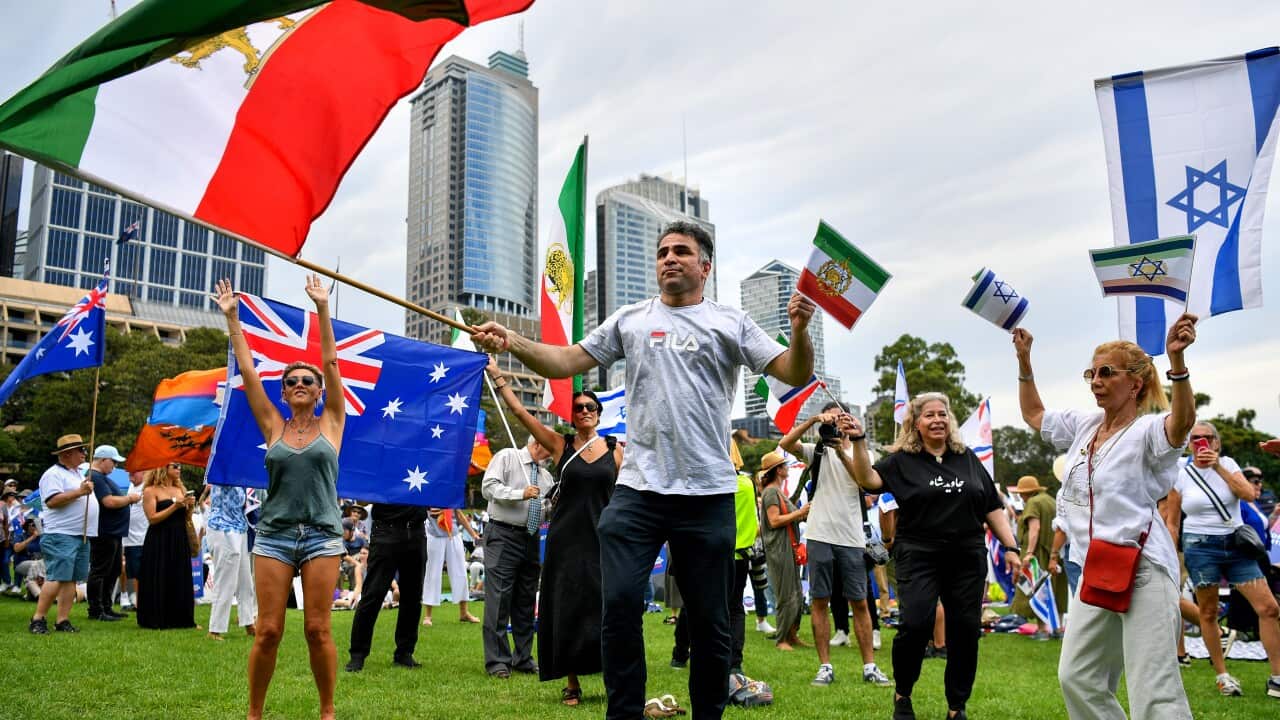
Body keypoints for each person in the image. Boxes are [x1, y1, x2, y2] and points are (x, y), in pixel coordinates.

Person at [473, 220, 815, 719]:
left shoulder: (731, 322)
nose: (669, 258)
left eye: (681, 251)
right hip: (638, 493)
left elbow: (794, 372)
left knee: (710, 623)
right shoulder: (631, 319)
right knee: (620, 610)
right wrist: (513, 343)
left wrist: (801, 330)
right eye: (662, 252)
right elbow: (567, 360)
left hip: (708, 494)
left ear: (706, 265)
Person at [1014, 316, 1198, 720]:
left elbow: (1181, 423)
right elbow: (1034, 415)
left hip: (1144, 567)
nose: (1096, 380)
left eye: (1107, 373)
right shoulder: (1085, 425)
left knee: (1153, 689)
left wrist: (1177, 364)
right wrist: (1025, 362)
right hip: (1094, 569)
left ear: (1135, 384)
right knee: (1077, 677)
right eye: (1091, 373)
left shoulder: (1149, 430)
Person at [214, 275, 346, 720]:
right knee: (268, 631)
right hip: (274, 535)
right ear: (285, 391)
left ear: (319, 389)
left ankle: (327, 711)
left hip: (323, 536)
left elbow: (331, 361)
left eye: (308, 380)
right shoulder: (273, 425)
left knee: (317, 628)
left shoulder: (333, 421)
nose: (302, 383)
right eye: (293, 381)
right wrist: (233, 319)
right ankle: (255, 712)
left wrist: (323, 309)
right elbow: (249, 373)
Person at [842, 394, 1020, 720]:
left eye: (942, 414)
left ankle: (956, 707)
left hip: (966, 554)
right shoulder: (901, 461)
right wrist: (859, 440)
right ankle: (903, 693)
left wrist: (1011, 547)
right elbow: (867, 480)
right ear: (916, 423)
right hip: (919, 553)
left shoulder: (966, 458)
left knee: (965, 629)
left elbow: (991, 506)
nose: (937, 420)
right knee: (915, 623)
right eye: (929, 415)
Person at [489, 359, 622, 705]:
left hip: (603, 539)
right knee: (569, 607)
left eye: (590, 407)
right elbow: (522, 415)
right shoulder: (562, 446)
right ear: (572, 415)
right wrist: (500, 378)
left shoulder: (616, 450)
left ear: (599, 412)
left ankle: (613, 680)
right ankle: (572, 683)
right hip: (566, 541)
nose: (584, 411)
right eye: (578, 408)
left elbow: (632, 492)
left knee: (606, 608)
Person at [1164, 421, 1280, 697]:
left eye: (1206, 438)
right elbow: (1172, 519)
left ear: (1216, 442)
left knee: (1268, 607)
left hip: (1236, 545)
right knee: (1207, 611)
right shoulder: (1180, 471)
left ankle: (1277, 676)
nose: (1201, 443)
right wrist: (1170, 552)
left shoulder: (1228, 463)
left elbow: (1248, 494)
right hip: (1200, 546)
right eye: (1195, 439)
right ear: (1188, 443)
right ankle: (1223, 675)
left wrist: (1217, 466)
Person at [779, 405, 891, 688]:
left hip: (852, 537)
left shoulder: (863, 452)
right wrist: (813, 421)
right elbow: (785, 443)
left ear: (850, 421)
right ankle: (825, 666)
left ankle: (869, 666)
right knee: (819, 601)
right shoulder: (815, 450)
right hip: (819, 533)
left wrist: (842, 448)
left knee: (860, 602)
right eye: (831, 419)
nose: (835, 424)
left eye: (840, 418)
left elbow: (864, 481)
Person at [478, 434, 553, 679]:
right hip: (503, 533)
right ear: (537, 443)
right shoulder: (507, 457)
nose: (552, 454)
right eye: (549, 447)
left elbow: (545, 509)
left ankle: (523, 657)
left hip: (531, 537)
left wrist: (553, 505)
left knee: (526, 599)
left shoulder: (546, 476)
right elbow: (488, 488)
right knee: (499, 597)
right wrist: (519, 493)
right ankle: (498, 661)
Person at [345, 500, 431, 672]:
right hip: (386, 529)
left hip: (415, 530)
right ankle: (358, 654)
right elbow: (364, 497)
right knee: (373, 594)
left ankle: (404, 652)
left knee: (412, 596)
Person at [29, 434, 98, 635]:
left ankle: (62, 620)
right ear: (67, 453)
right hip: (61, 534)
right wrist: (79, 492)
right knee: (56, 577)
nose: (85, 453)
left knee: (71, 580)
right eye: (81, 450)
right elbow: (52, 501)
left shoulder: (77, 473)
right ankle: (38, 619)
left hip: (80, 534)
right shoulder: (53, 474)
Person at [757, 451, 809, 650]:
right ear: (778, 470)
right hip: (779, 548)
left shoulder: (777, 491)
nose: (787, 468)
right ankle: (782, 639)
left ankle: (791, 634)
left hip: (788, 545)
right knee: (786, 593)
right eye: (784, 465)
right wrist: (800, 512)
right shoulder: (771, 492)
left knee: (795, 592)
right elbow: (774, 520)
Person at [136, 463, 196, 629]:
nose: (179, 469)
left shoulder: (180, 489)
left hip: (179, 537)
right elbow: (152, 518)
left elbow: (186, 517)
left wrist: (189, 507)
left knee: (179, 575)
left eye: (179, 466)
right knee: (159, 574)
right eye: (175, 466)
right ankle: (157, 617)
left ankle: (181, 618)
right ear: (163, 468)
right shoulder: (150, 490)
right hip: (159, 537)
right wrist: (174, 506)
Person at [1011, 475, 1068, 639]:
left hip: (1038, 554)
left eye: (1021, 493)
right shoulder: (1050, 500)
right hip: (1054, 553)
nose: (1020, 496)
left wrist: (1028, 553)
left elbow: (1034, 528)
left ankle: (1042, 629)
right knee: (1057, 591)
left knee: (1035, 590)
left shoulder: (1033, 503)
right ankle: (1057, 629)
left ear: (1026, 492)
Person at [85, 445, 137, 621]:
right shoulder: (96, 478)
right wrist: (130, 498)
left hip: (113, 532)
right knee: (100, 570)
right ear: (103, 460)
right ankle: (96, 609)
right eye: (113, 462)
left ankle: (106, 606)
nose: (114, 466)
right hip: (104, 532)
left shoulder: (102, 478)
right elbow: (108, 502)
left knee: (113, 569)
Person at [203, 481, 257, 640]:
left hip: (240, 528)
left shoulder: (243, 478)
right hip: (222, 528)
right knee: (225, 580)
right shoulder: (220, 470)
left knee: (245, 581)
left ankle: (249, 623)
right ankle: (215, 629)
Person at [422, 508, 480, 625]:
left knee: (461, 573)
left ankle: (464, 613)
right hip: (434, 536)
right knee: (432, 574)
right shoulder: (428, 491)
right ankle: (428, 616)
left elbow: (459, 514)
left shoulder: (451, 491)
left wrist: (474, 535)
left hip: (453, 535)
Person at [121, 471, 147, 611]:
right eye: (129, 472)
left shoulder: (146, 487)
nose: (130, 475)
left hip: (143, 538)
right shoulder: (131, 487)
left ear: (143, 473)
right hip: (130, 539)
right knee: (135, 573)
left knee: (142, 572)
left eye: (134, 472)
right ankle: (138, 601)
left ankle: (141, 602)